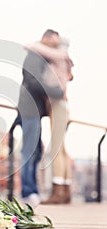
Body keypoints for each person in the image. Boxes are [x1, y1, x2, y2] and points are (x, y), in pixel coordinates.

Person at [17, 29, 64, 207]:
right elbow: (33, 81)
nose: (55, 45)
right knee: (28, 151)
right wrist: (56, 92)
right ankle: (27, 193)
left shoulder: (41, 57)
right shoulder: (34, 56)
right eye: (53, 41)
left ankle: (32, 191)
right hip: (29, 110)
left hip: (34, 110)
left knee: (35, 152)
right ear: (45, 38)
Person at [26, 33, 74, 204]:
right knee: (61, 148)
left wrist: (35, 43)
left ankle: (58, 191)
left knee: (55, 147)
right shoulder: (60, 56)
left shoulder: (60, 53)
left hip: (58, 104)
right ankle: (65, 191)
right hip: (59, 105)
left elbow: (33, 46)